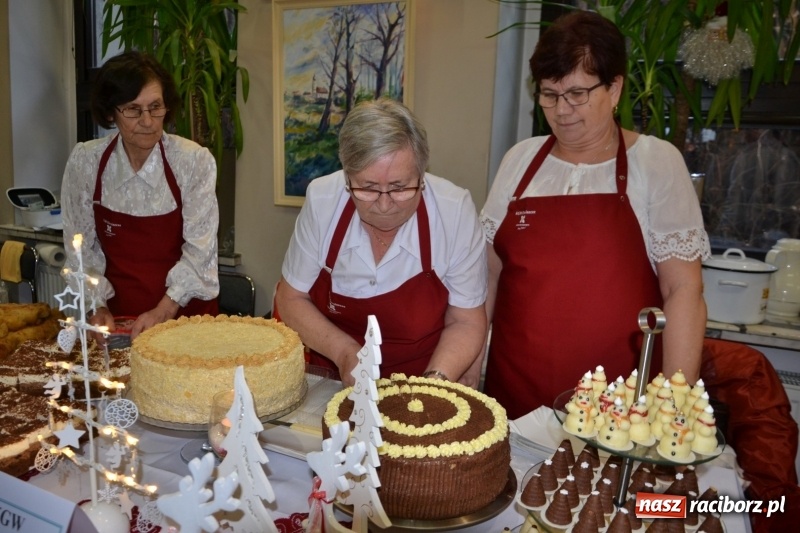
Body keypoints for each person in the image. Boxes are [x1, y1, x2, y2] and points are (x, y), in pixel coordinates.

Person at [474, 10, 710, 419]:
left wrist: (675, 407)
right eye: (549, 94)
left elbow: (683, 292)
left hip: (617, 409)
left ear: (615, 88)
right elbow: (486, 279)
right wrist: (469, 378)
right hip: (513, 394)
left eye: (577, 94)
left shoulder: (654, 162)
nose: (562, 110)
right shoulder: (520, 160)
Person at [276, 98, 487, 386]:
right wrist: (346, 353)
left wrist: (435, 383)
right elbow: (290, 299)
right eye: (368, 188)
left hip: (426, 374)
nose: (385, 205)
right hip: (337, 377)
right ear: (347, 176)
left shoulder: (454, 211)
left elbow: (466, 320)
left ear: (423, 175)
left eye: (400, 188)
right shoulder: (323, 200)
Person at [61, 51, 219, 341]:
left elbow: (200, 254)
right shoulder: (87, 162)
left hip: (185, 318)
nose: (148, 121)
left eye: (155, 107)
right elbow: (81, 251)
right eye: (133, 110)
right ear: (111, 113)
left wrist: (163, 310)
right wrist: (97, 305)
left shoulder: (193, 162)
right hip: (119, 320)